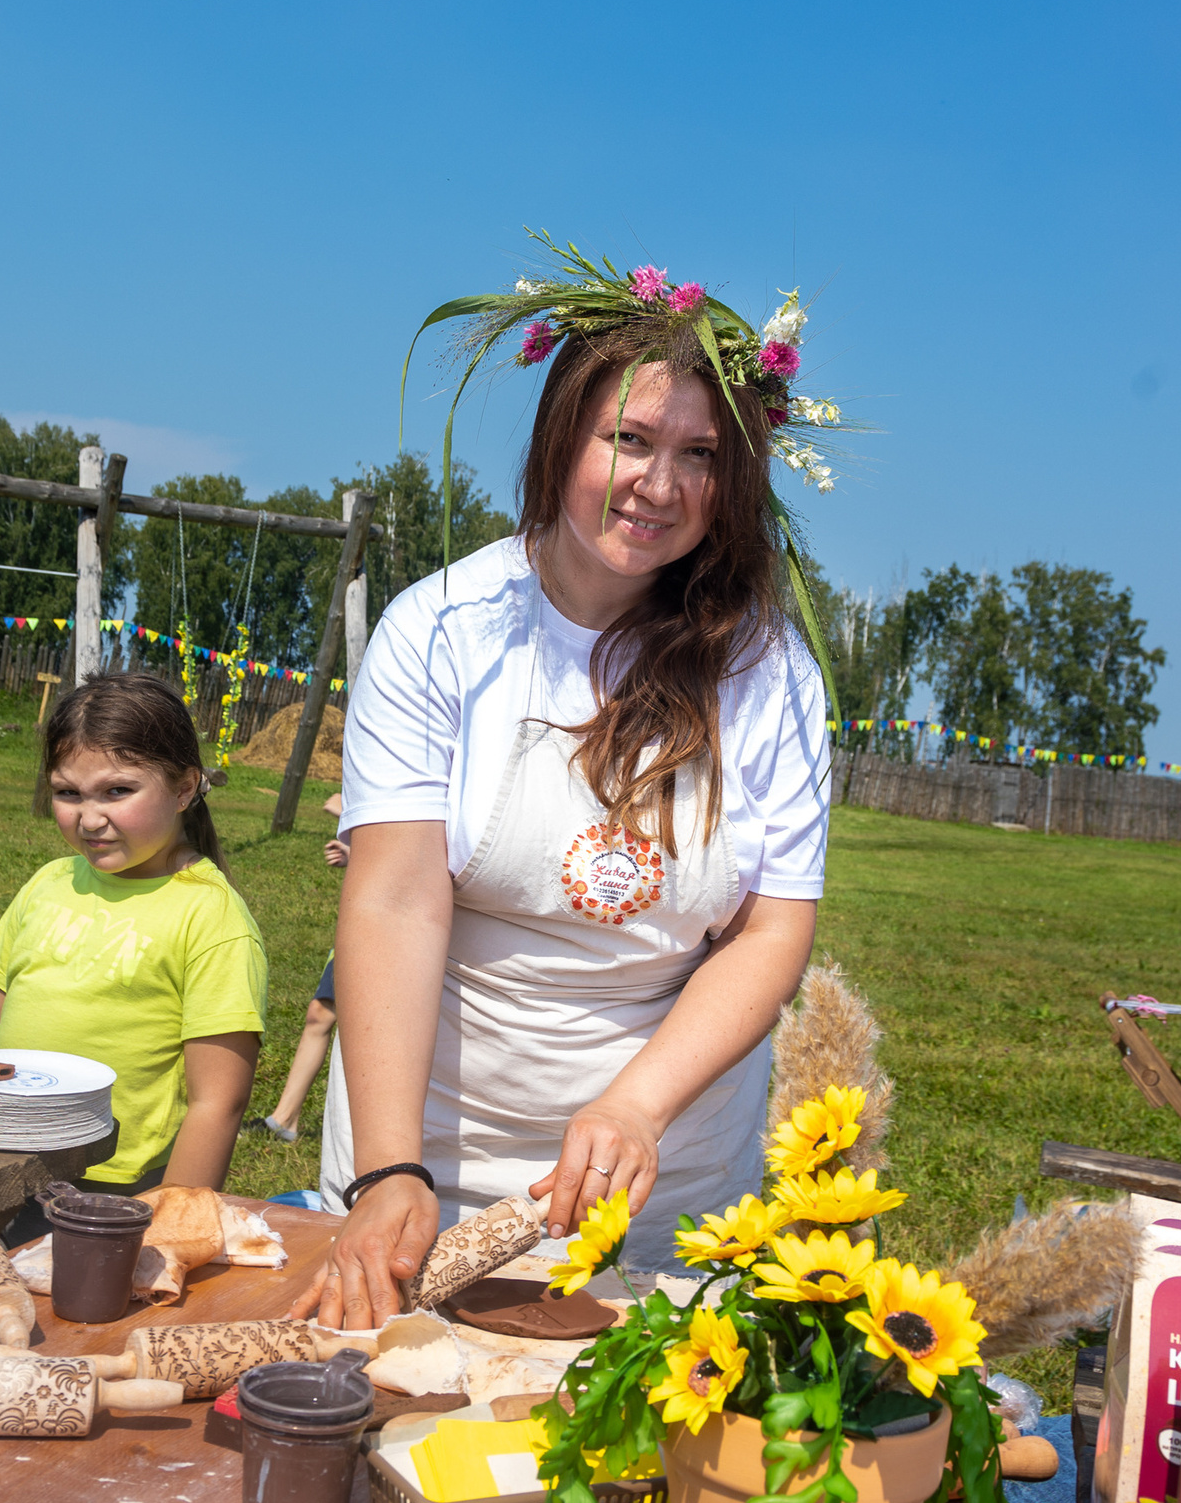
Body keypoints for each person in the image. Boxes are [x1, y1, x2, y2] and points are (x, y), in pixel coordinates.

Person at [293, 245, 833, 1329]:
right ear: (561, 438)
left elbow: (771, 931)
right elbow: (395, 898)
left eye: (699, 454)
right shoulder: (441, 629)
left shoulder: (768, 670)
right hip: (436, 1141)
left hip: (664, 1160)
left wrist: (637, 1104)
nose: (659, 484)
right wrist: (388, 1171)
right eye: (628, 439)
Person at [0, 671, 264, 1192]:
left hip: (113, 1190)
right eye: (68, 793)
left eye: (116, 791)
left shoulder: (210, 917)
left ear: (183, 787)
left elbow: (218, 1102)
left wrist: (170, 1223)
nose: (89, 819)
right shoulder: (47, 884)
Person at [250, 792, 349, 1143]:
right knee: (320, 1013)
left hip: (389, 928)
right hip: (360, 924)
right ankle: (285, 1119)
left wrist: (349, 818)